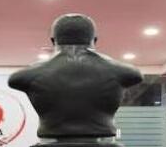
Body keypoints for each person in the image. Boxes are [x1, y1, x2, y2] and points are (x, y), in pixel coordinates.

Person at [9, 13, 143, 139]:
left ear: (53, 41)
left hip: (51, 142)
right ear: (94, 40)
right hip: (102, 143)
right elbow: (136, 75)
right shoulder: (125, 73)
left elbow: (14, 79)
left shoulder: (26, 76)